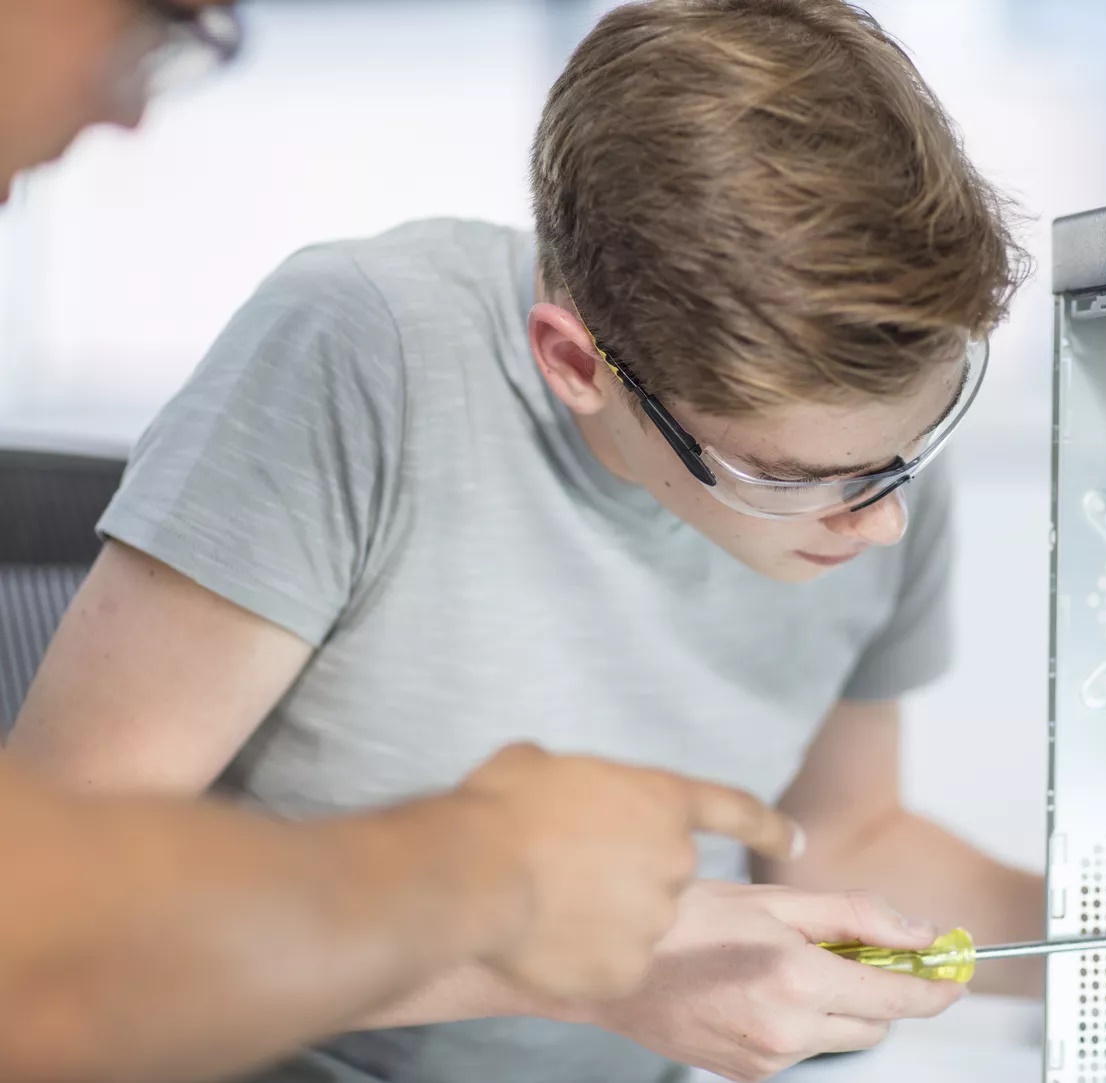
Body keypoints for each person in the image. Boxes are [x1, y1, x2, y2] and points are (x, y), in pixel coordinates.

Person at [9, 0, 1047, 1081]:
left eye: (906, 454)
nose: (880, 522)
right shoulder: (363, 352)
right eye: (787, 478)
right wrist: (586, 973)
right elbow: (54, 925)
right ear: (577, 364)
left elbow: (843, 838)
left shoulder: (863, 434)